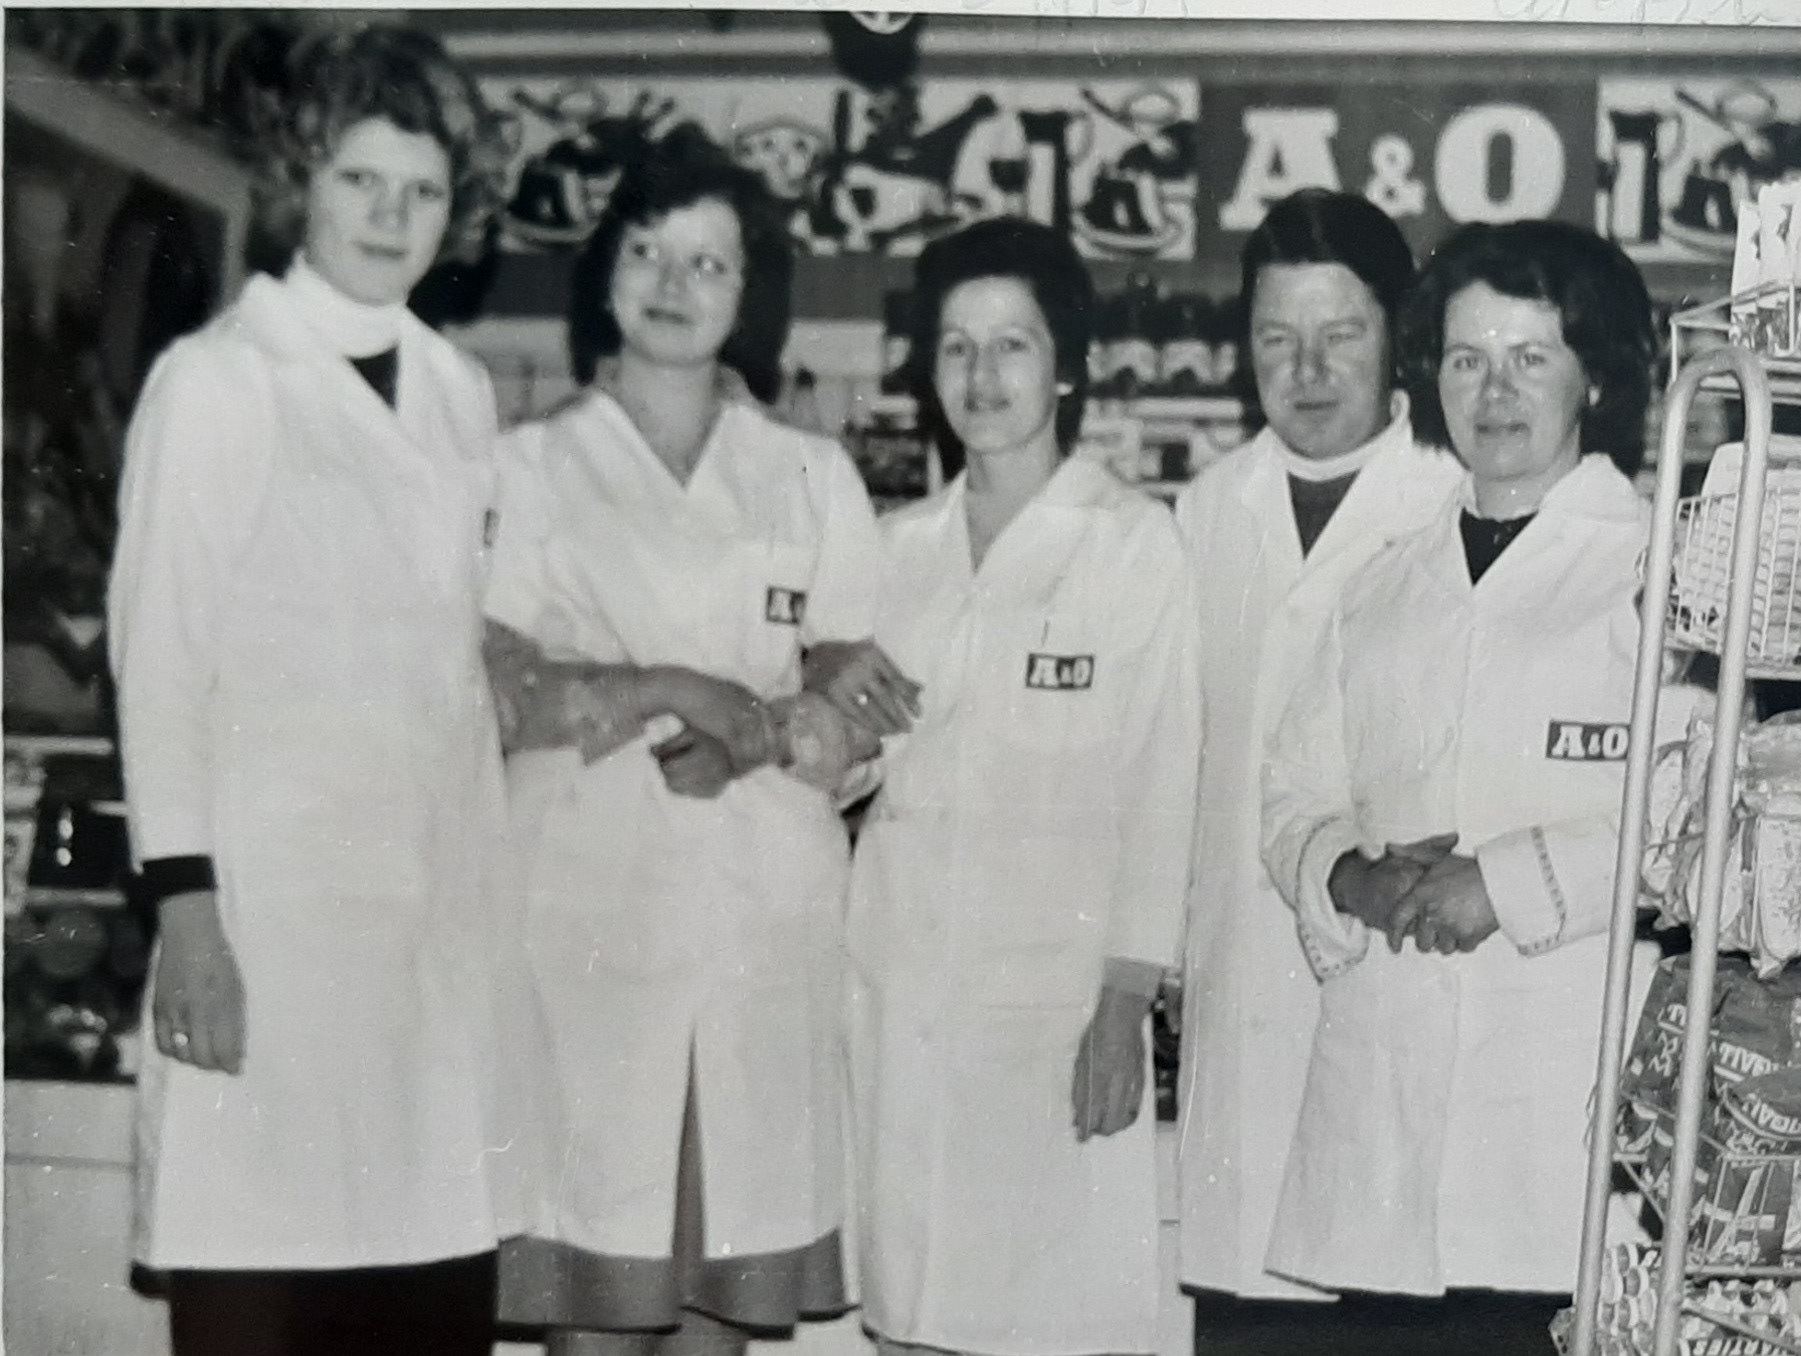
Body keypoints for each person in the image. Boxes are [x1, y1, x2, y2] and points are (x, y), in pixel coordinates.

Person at [106, 25, 518, 1356]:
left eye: (424, 190)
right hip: (264, 938)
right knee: (261, 1292)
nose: (392, 216)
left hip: (425, 957)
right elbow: (159, 663)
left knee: (421, 1293)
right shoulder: (217, 381)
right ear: (302, 181)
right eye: (361, 181)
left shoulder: (460, 395)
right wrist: (189, 915)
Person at [483, 126, 882, 1356]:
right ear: (604, 270)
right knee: (594, 1299)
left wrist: (756, 735)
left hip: (758, 932)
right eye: (648, 251)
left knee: (720, 1305)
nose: (673, 282)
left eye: (709, 262)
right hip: (584, 931)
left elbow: (865, 715)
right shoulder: (527, 465)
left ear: (748, 293)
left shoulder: (809, 475)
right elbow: (490, 695)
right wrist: (671, 685)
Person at [1257, 218, 1677, 1343]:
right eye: (1464, 358)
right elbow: (1292, 796)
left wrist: (1504, 884)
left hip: (1557, 1136)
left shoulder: (1657, 572)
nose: (1493, 392)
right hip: (1381, 1137)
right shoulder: (1380, 585)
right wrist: (1348, 877)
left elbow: (1702, 818)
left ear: (1595, 378)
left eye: (1530, 357)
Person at [811, 216, 1200, 1356]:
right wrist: (817, 695)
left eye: (1012, 345)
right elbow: (848, 766)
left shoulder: (1132, 543)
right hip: (899, 996)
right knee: (908, 1314)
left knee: (1047, 1322)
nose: (982, 376)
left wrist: (1125, 1000)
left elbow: (1161, 780)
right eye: (957, 347)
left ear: (1066, 363)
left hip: (1057, 1015)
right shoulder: (892, 549)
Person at [1172, 189, 1464, 1306]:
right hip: (1237, 981)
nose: (1307, 370)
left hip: (1394, 979)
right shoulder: (1207, 510)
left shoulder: (1452, 496)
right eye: (1275, 338)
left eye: (1340, 334)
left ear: (1397, 335)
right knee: (1247, 1308)